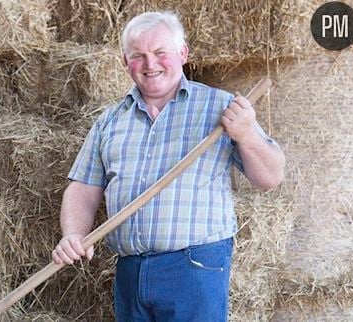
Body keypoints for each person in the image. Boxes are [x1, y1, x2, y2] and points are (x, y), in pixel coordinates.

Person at [51, 10, 285, 322]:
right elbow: (83, 188)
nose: (150, 64)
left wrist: (247, 135)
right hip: (131, 270)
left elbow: (270, 176)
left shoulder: (219, 108)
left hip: (194, 266)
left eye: (161, 52)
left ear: (182, 54)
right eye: (138, 55)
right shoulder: (110, 120)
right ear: (125, 62)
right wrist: (72, 234)